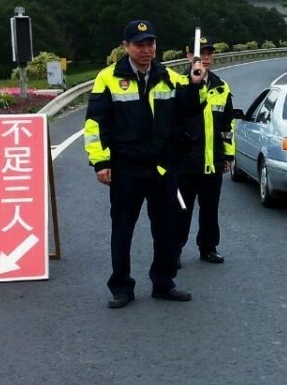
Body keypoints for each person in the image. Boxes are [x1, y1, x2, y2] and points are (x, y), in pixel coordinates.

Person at [84, 19, 207, 308]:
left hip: (162, 167)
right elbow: (94, 123)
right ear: (125, 46)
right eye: (139, 44)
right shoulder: (108, 77)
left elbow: (190, 109)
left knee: (166, 228)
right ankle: (121, 287)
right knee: (122, 229)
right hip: (126, 168)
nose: (146, 49)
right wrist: (100, 161)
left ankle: (163, 282)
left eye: (150, 43)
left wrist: (195, 82)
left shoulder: (169, 76)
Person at [175, 39, 235, 266]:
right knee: (181, 209)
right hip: (185, 161)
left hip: (212, 160)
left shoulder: (221, 86)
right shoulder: (178, 83)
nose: (206, 58)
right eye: (201, 54)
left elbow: (227, 126)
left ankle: (208, 247)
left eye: (209, 53)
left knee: (210, 209)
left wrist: (227, 156)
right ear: (189, 56)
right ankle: (175, 250)